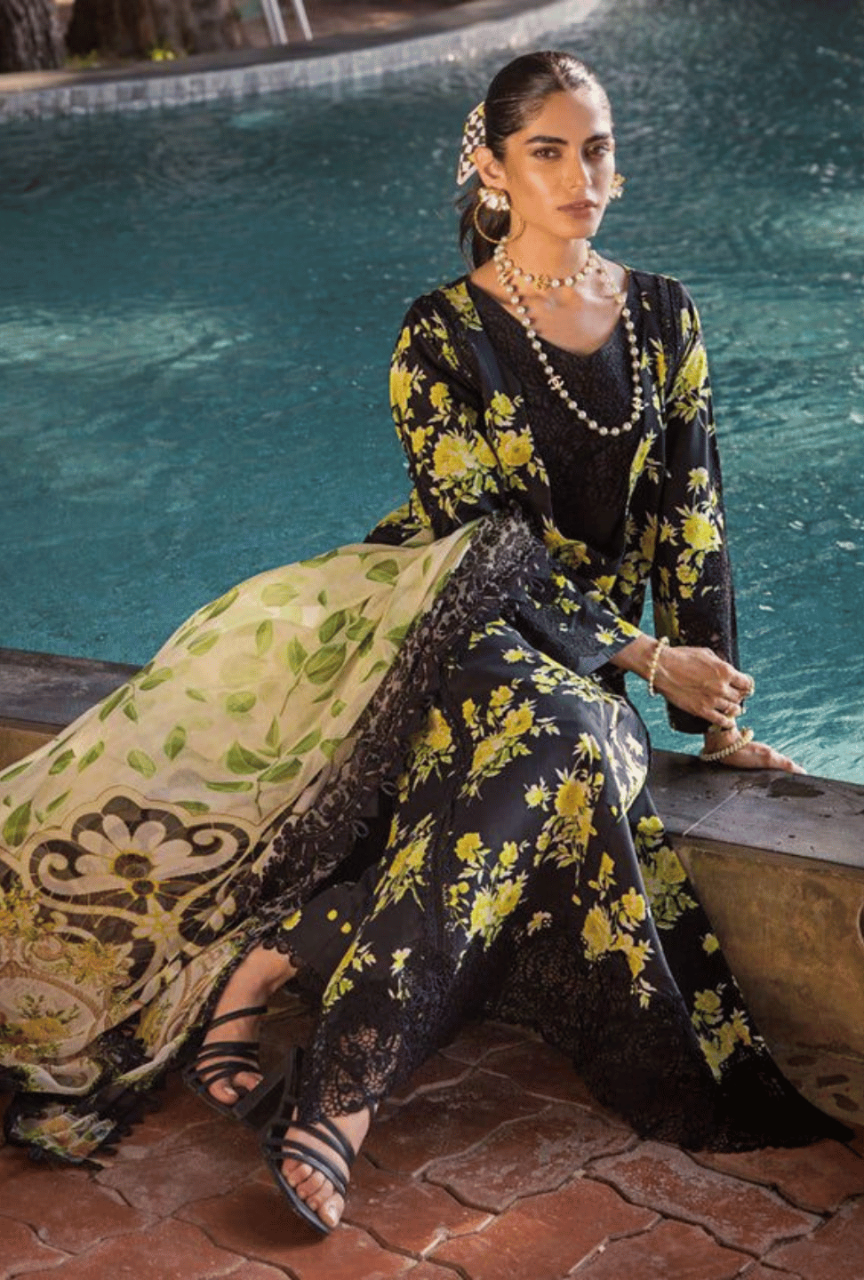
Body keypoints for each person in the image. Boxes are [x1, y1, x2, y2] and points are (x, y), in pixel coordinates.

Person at [0, 50, 847, 1234]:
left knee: (569, 743)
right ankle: (346, 1089)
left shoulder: (664, 315)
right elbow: (484, 549)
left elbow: (692, 529)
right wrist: (644, 662)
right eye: (547, 150)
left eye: (595, 146)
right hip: (454, 618)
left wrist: (722, 723)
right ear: (492, 168)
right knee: (570, 726)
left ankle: (283, 975)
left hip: (582, 664)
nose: (580, 174)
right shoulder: (438, 333)